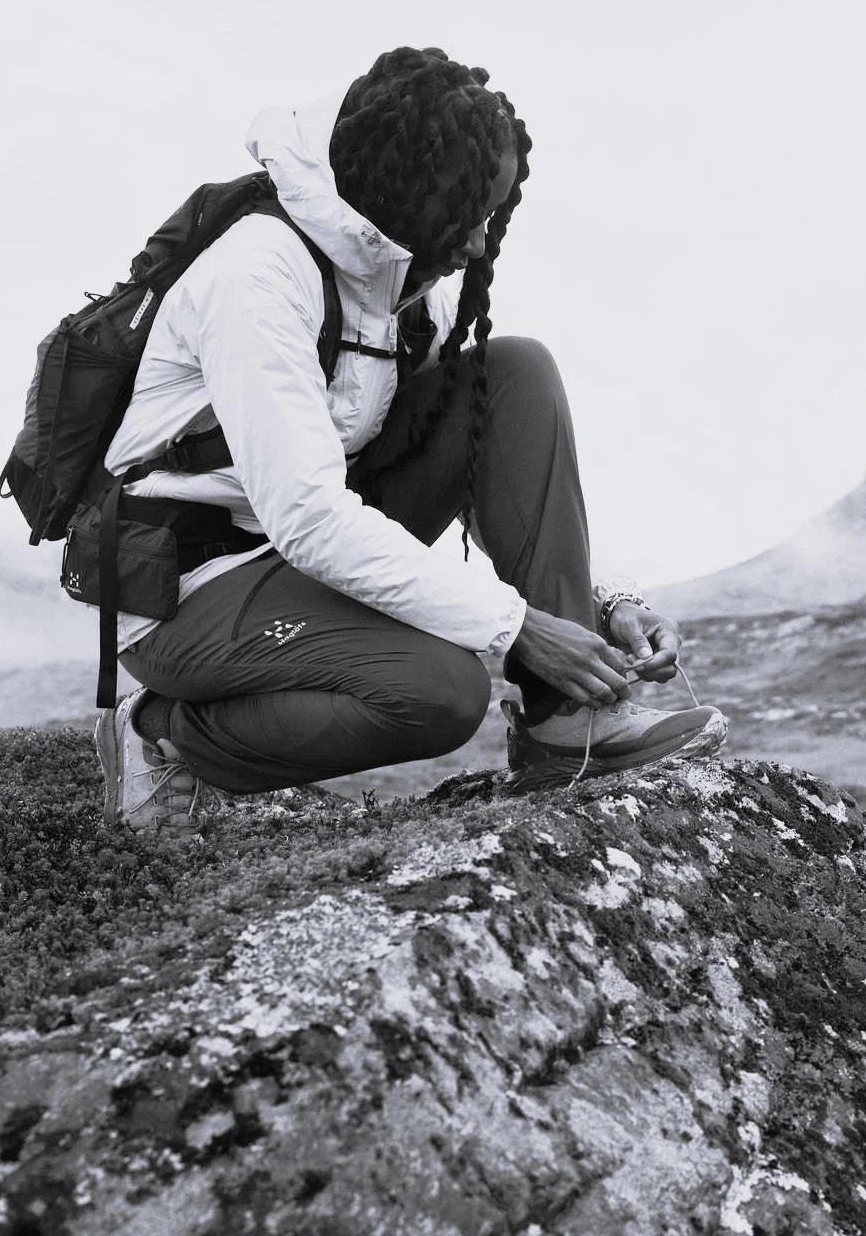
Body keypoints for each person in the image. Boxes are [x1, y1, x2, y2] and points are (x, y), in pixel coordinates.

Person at [93, 46, 726, 832]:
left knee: (515, 372)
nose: (479, 241)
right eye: (466, 216)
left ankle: (568, 723)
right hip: (184, 585)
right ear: (405, 197)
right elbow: (310, 517)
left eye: (490, 212)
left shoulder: (404, 268)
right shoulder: (257, 277)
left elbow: (480, 460)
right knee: (440, 690)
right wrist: (516, 624)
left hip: (295, 550)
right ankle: (160, 731)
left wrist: (603, 605)